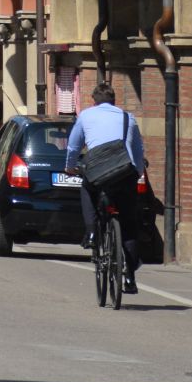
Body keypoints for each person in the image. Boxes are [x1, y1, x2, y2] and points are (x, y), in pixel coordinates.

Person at [65, 80, 146, 293]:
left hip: (97, 172)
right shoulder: (128, 118)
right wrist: (136, 172)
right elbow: (138, 150)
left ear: (94, 101)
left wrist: (70, 167)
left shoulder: (86, 116)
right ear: (114, 101)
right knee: (128, 224)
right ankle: (129, 277)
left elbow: (74, 145)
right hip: (123, 173)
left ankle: (92, 232)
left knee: (87, 189)